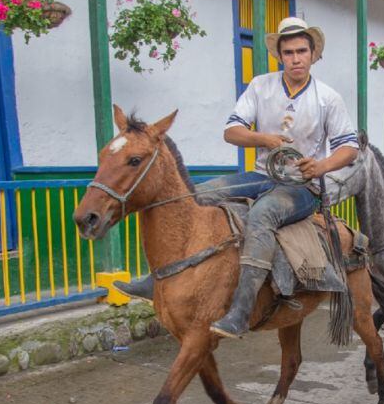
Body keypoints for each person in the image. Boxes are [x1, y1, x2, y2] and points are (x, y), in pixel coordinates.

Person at [114, 17, 360, 339]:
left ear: (313, 54)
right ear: (280, 56)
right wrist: (264, 139)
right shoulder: (261, 86)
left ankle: (242, 309)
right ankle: (156, 277)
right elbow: (231, 131)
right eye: (289, 52)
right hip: (261, 175)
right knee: (196, 195)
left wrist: (322, 166)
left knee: (263, 214)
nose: (296, 58)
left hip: (301, 186)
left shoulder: (328, 98)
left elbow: (350, 148)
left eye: (302, 51)